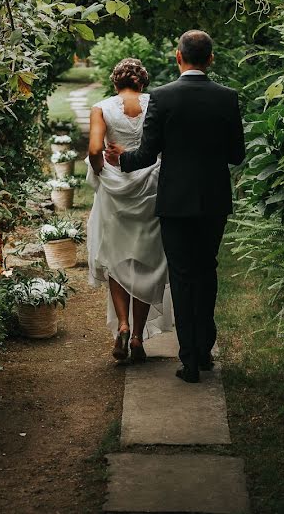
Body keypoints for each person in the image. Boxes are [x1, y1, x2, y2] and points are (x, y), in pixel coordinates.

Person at [105, 30, 246, 383]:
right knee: (207, 271)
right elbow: (236, 155)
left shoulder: (163, 98)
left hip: (175, 203)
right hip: (213, 200)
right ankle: (205, 350)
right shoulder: (227, 98)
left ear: (178, 57)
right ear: (210, 59)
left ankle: (190, 362)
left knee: (181, 277)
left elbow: (147, 154)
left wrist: (121, 160)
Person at [86, 58, 173, 363]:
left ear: (115, 82)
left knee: (117, 260)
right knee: (147, 262)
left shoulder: (102, 108)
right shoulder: (157, 103)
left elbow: (95, 151)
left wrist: (100, 173)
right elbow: (164, 147)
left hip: (116, 191)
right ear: (143, 82)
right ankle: (137, 337)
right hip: (150, 187)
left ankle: (122, 325)